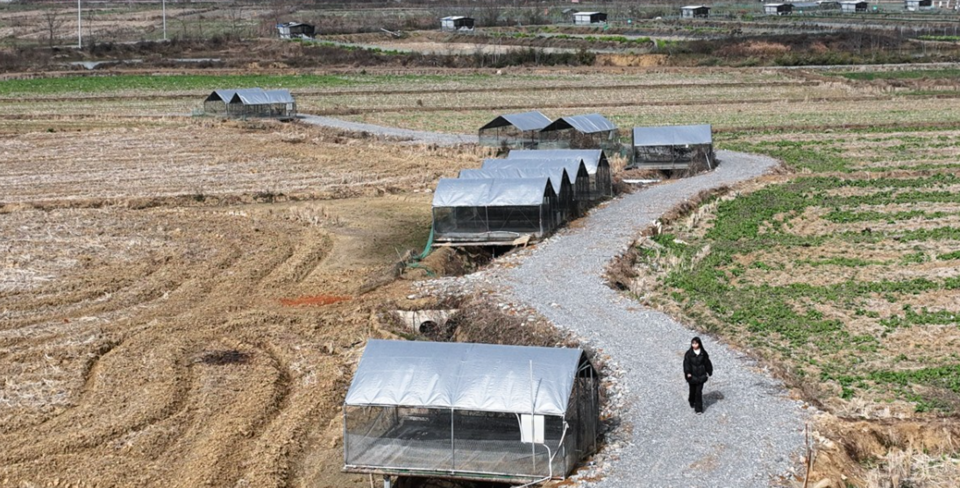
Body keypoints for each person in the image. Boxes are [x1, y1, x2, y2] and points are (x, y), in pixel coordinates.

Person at [683, 337, 713, 414]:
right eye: (693, 343)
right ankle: (691, 400)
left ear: (699, 344)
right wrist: (688, 372)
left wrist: (709, 371)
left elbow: (707, 362)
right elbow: (686, 364)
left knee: (698, 392)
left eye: (696, 343)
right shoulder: (689, 354)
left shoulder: (703, 353)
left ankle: (698, 409)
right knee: (692, 390)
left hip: (701, 375)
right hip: (692, 376)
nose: (694, 345)